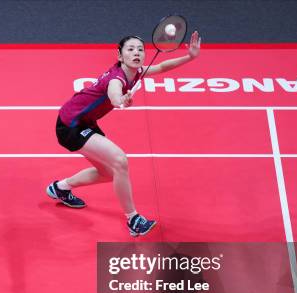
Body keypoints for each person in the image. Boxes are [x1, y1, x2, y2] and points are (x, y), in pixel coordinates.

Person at [47, 32, 201, 236]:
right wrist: (120, 101)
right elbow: (114, 93)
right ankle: (133, 219)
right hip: (70, 125)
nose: (136, 52)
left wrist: (190, 56)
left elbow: (162, 67)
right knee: (119, 161)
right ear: (120, 56)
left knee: (108, 173)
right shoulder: (116, 78)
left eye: (140, 49)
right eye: (130, 49)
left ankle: (60, 188)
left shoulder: (135, 72)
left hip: (85, 122)